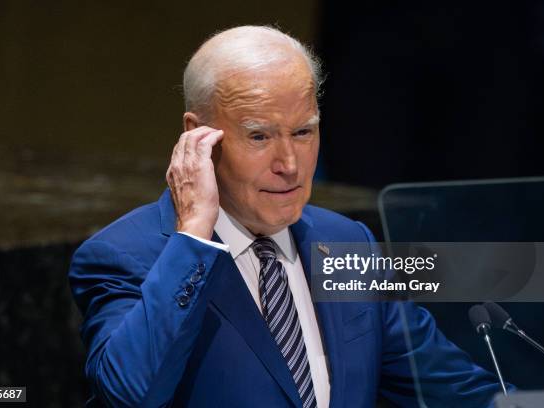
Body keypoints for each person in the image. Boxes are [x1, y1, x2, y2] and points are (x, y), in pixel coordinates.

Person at [68, 25, 509, 407]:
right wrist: (194, 238)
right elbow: (132, 396)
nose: (290, 164)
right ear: (197, 137)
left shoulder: (349, 242)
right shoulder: (124, 255)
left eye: (303, 132)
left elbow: (457, 392)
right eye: (259, 136)